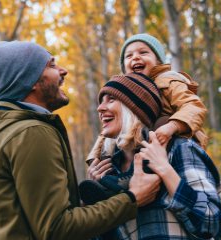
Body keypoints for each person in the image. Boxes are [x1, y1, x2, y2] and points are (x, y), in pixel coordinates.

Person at [0, 41, 162, 240]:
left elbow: (25, 218)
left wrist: (84, 201)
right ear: (32, 80)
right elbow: (55, 230)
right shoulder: (31, 133)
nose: (62, 71)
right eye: (51, 65)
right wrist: (132, 199)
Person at [88, 74, 221, 240]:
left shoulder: (178, 149)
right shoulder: (113, 171)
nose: (100, 108)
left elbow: (210, 221)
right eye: (101, 101)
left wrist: (164, 169)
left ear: (134, 107)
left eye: (111, 99)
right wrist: (97, 199)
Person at [86, 33, 209, 176]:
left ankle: (155, 172)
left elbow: (193, 106)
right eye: (129, 56)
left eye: (143, 52)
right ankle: (109, 180)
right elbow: (107, 128)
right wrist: (95, 158)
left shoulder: (169, 82)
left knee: (161, 122)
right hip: (141, 140)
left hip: (174, 136)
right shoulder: (127, 91)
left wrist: (172, 126)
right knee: (114, 140)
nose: (136, 57)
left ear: (158, 60)